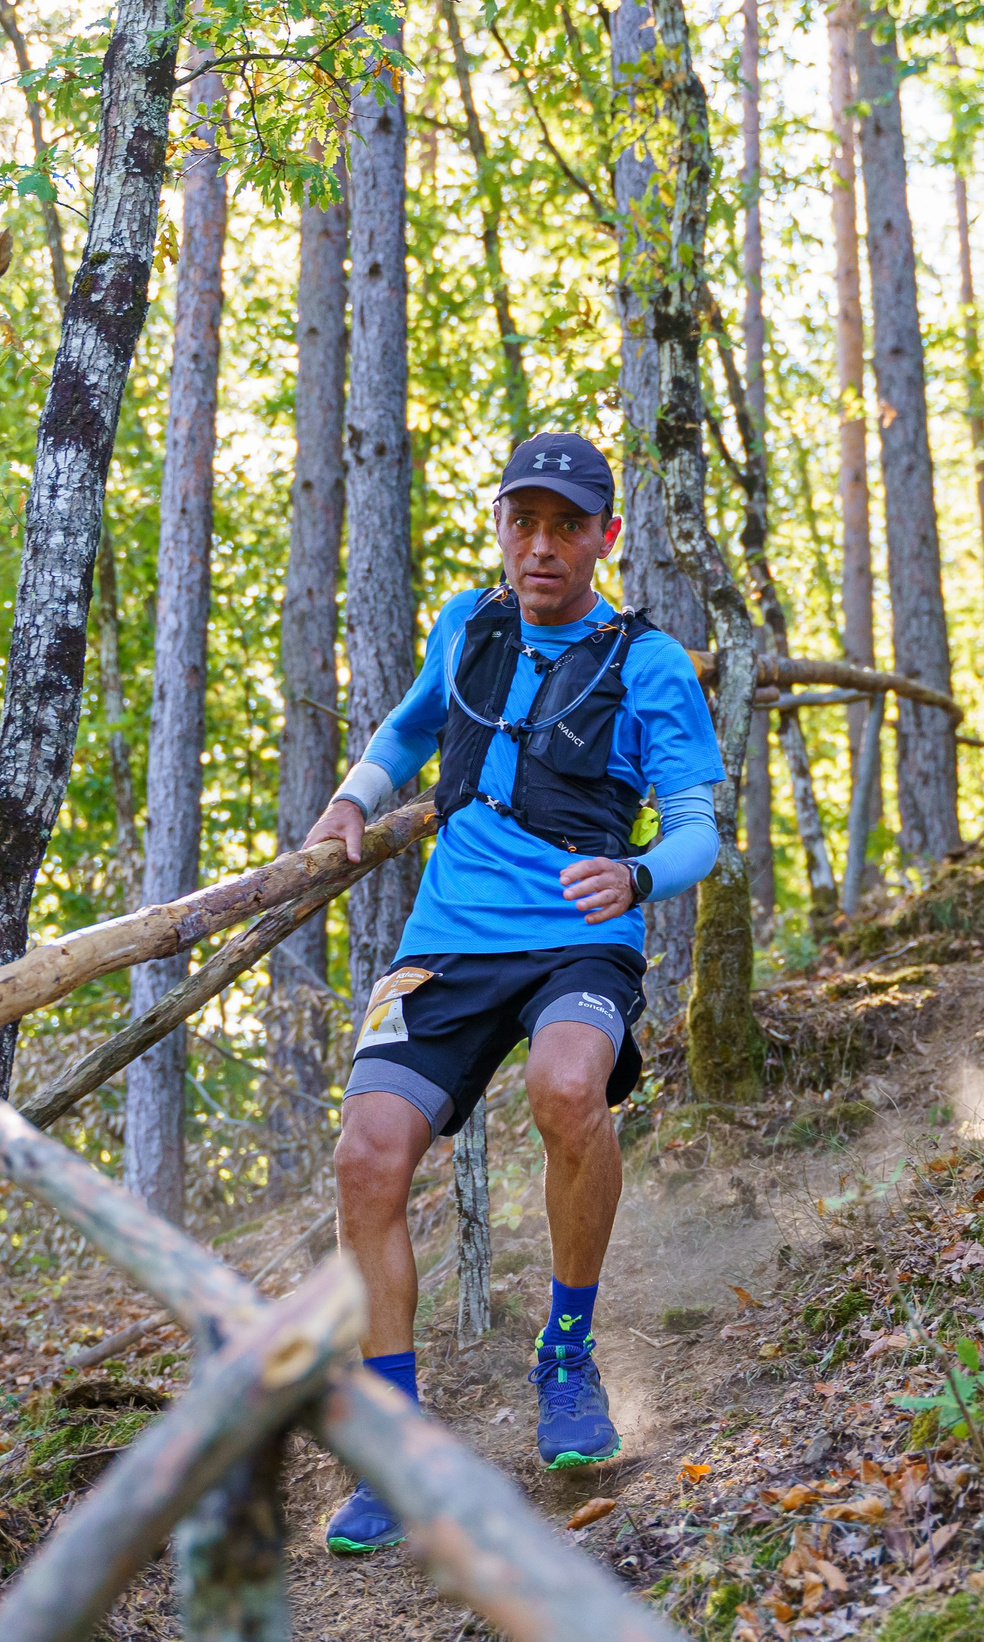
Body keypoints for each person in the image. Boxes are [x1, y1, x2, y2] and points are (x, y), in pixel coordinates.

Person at [309, 431, 725, 1555]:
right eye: (521, 521)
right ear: (500, 526)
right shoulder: (468, 624)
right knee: (366, 1157)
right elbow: (407, 728)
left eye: (565, 524)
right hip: (447, 941)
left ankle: (567, 1353)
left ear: (603, 536)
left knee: (567, 1086)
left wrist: (638, 872)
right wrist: (354, 800)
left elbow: (699, 829)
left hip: (579, 938)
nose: (540, 546)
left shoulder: (650, 664)